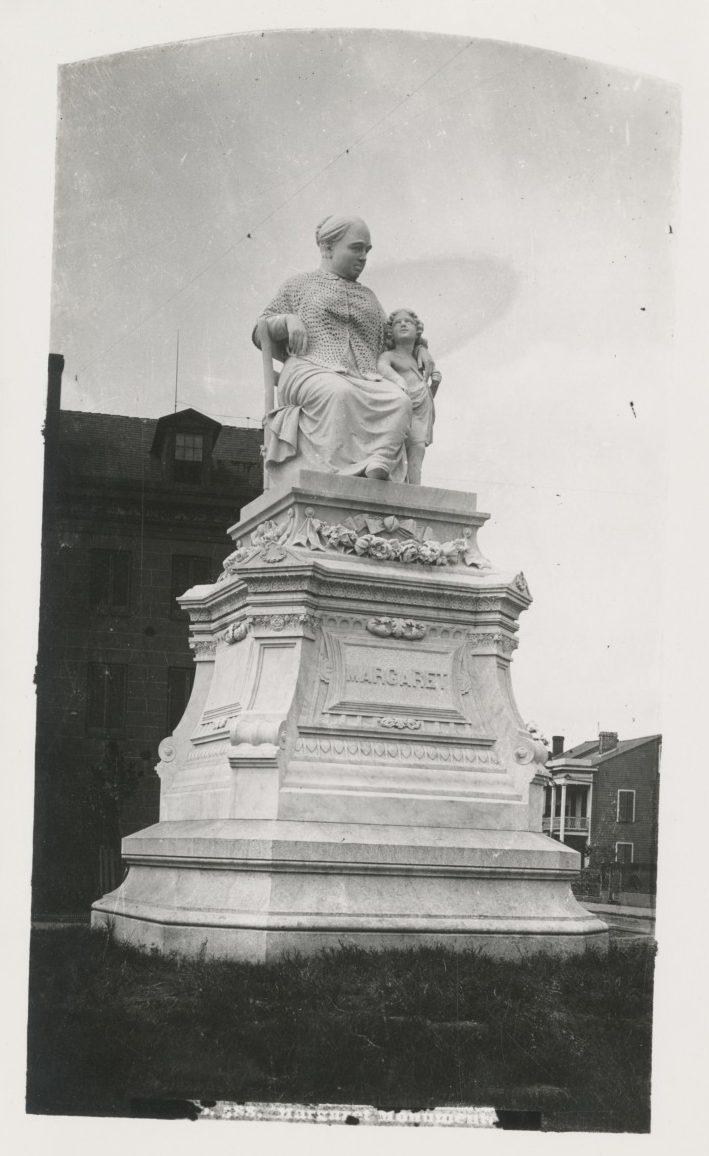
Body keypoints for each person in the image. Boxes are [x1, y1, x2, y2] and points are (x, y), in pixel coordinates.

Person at [253, 214, 433, 483]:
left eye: (367, 251)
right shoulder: (299, 285)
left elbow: (391, 337)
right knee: (339, 392)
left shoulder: (368, 296)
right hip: (309, 369)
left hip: (365, 375)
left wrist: (420, 348)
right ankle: (340, 475)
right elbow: (260, 331)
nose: (363, 257)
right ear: (327, 248)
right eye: (356, 248)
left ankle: (377, 464)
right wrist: (287, 321)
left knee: (400, 401)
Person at [377, 309, 442, 485]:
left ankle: (415, 489)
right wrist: (398, 380)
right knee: (400, 446)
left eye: (408, 322)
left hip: (422, 410)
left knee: (418, 449)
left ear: (417, 330)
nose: (403, 324)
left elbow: (426, 394)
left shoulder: (418, 359)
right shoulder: (390, 355)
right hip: (404, 406)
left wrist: (434, 385)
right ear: (391, 332)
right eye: (398, 323)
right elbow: (382, 367)